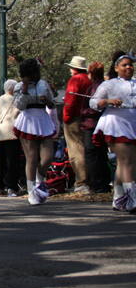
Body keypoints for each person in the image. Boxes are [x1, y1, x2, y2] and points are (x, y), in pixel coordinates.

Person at [90, 51, 136, 212]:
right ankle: (132, 199)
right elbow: (93, 103)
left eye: (130, 65)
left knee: (125, 162)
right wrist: (109, 101)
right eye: (125, 65)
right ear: (116, 68)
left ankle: (118, 199)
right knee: (128, 160)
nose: (129, 67)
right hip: (115, 123)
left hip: (132, 124)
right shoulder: (109, 84)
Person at [13, 58, 55, 206]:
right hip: (27, 120)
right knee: (32, 157)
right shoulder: (19, 86)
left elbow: (53, 102)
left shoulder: (43, 84)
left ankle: (39, 178)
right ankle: (32, 191)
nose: (37, 74)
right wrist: (24, 88)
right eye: (34, 72)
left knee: (48, 157)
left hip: (43, 119)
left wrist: (48, 102)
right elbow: (20, 105)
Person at [63, 56, 92, 193]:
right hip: (87, 118)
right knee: (86, 149)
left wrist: (66, 118)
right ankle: (89, 180)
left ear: (74, 69)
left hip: (74, 118)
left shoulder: (75, 79)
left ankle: (81, 181)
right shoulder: (89, 80)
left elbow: (70, 100)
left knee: (76, 151)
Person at [81, 62, 110, 194]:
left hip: (93, 124)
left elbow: (94, 108)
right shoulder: (105, 86)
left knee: (92, 154)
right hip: (103, 123)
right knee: (102, 154)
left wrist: (84, 112)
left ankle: (99, 185)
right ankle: (104, 184)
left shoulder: (95, 88)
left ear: (91, 73)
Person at [0, 80, 22, 197]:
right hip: (11, 132)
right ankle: (11, 187)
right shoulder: (15, 99)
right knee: (12, 161)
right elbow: (16, 113)